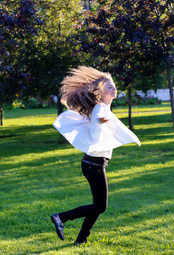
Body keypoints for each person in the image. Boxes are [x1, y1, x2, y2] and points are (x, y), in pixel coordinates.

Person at [51, 66, 141, 245]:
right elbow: (97, 127)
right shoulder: (100, 109)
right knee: (100, 206)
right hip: (94, 164)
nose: (113, 88)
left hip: (94, 163)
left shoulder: (103, 106)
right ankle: (61, 217)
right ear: (100, 91)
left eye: (114, 86)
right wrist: (100, 122)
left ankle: (81, 239)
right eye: (109, 87)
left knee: (98, 205)